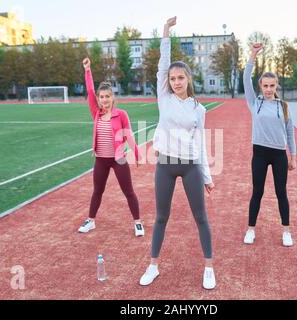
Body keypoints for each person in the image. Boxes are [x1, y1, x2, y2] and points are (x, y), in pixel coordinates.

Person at [139, 17, 216, 290]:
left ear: (188, 79)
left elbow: (202, 145)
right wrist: (165, 33)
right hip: (165, 165)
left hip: (190, 166)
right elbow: (162, 64)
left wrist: (206, 176)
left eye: (180, 77)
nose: (176, 81)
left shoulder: (199, 109)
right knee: (161, 216)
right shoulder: (164, 97)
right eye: (172, 78)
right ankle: (153, 265)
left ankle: (208, 267)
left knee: (201, 217)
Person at [77, 58, 144, 237]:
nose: (104, 100)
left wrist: (137, 154)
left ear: (112, 98)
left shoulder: (121, 114)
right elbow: (90, 91)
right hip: (101, 160)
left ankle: (137, 222)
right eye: (102, 97)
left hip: (118, 160)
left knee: (128, 191)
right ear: (98, 100)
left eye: (107, 96)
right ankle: (90, 220)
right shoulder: (96, 113)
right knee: (97, 191)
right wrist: (88, 70)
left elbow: (129, 134)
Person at [242, 43, 297, 247]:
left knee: (281, 192)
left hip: (279, 155)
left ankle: (286, 231)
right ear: (260, 86)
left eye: (271, 86)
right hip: (260, 153)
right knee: (257, 192)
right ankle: (250, 229)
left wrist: (293, 156)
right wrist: (253, 55)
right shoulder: (254, 103)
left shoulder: (283, 106)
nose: (268, 89)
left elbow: (290, 132)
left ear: (276, 86)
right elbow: (245, 79)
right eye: (265, 86)